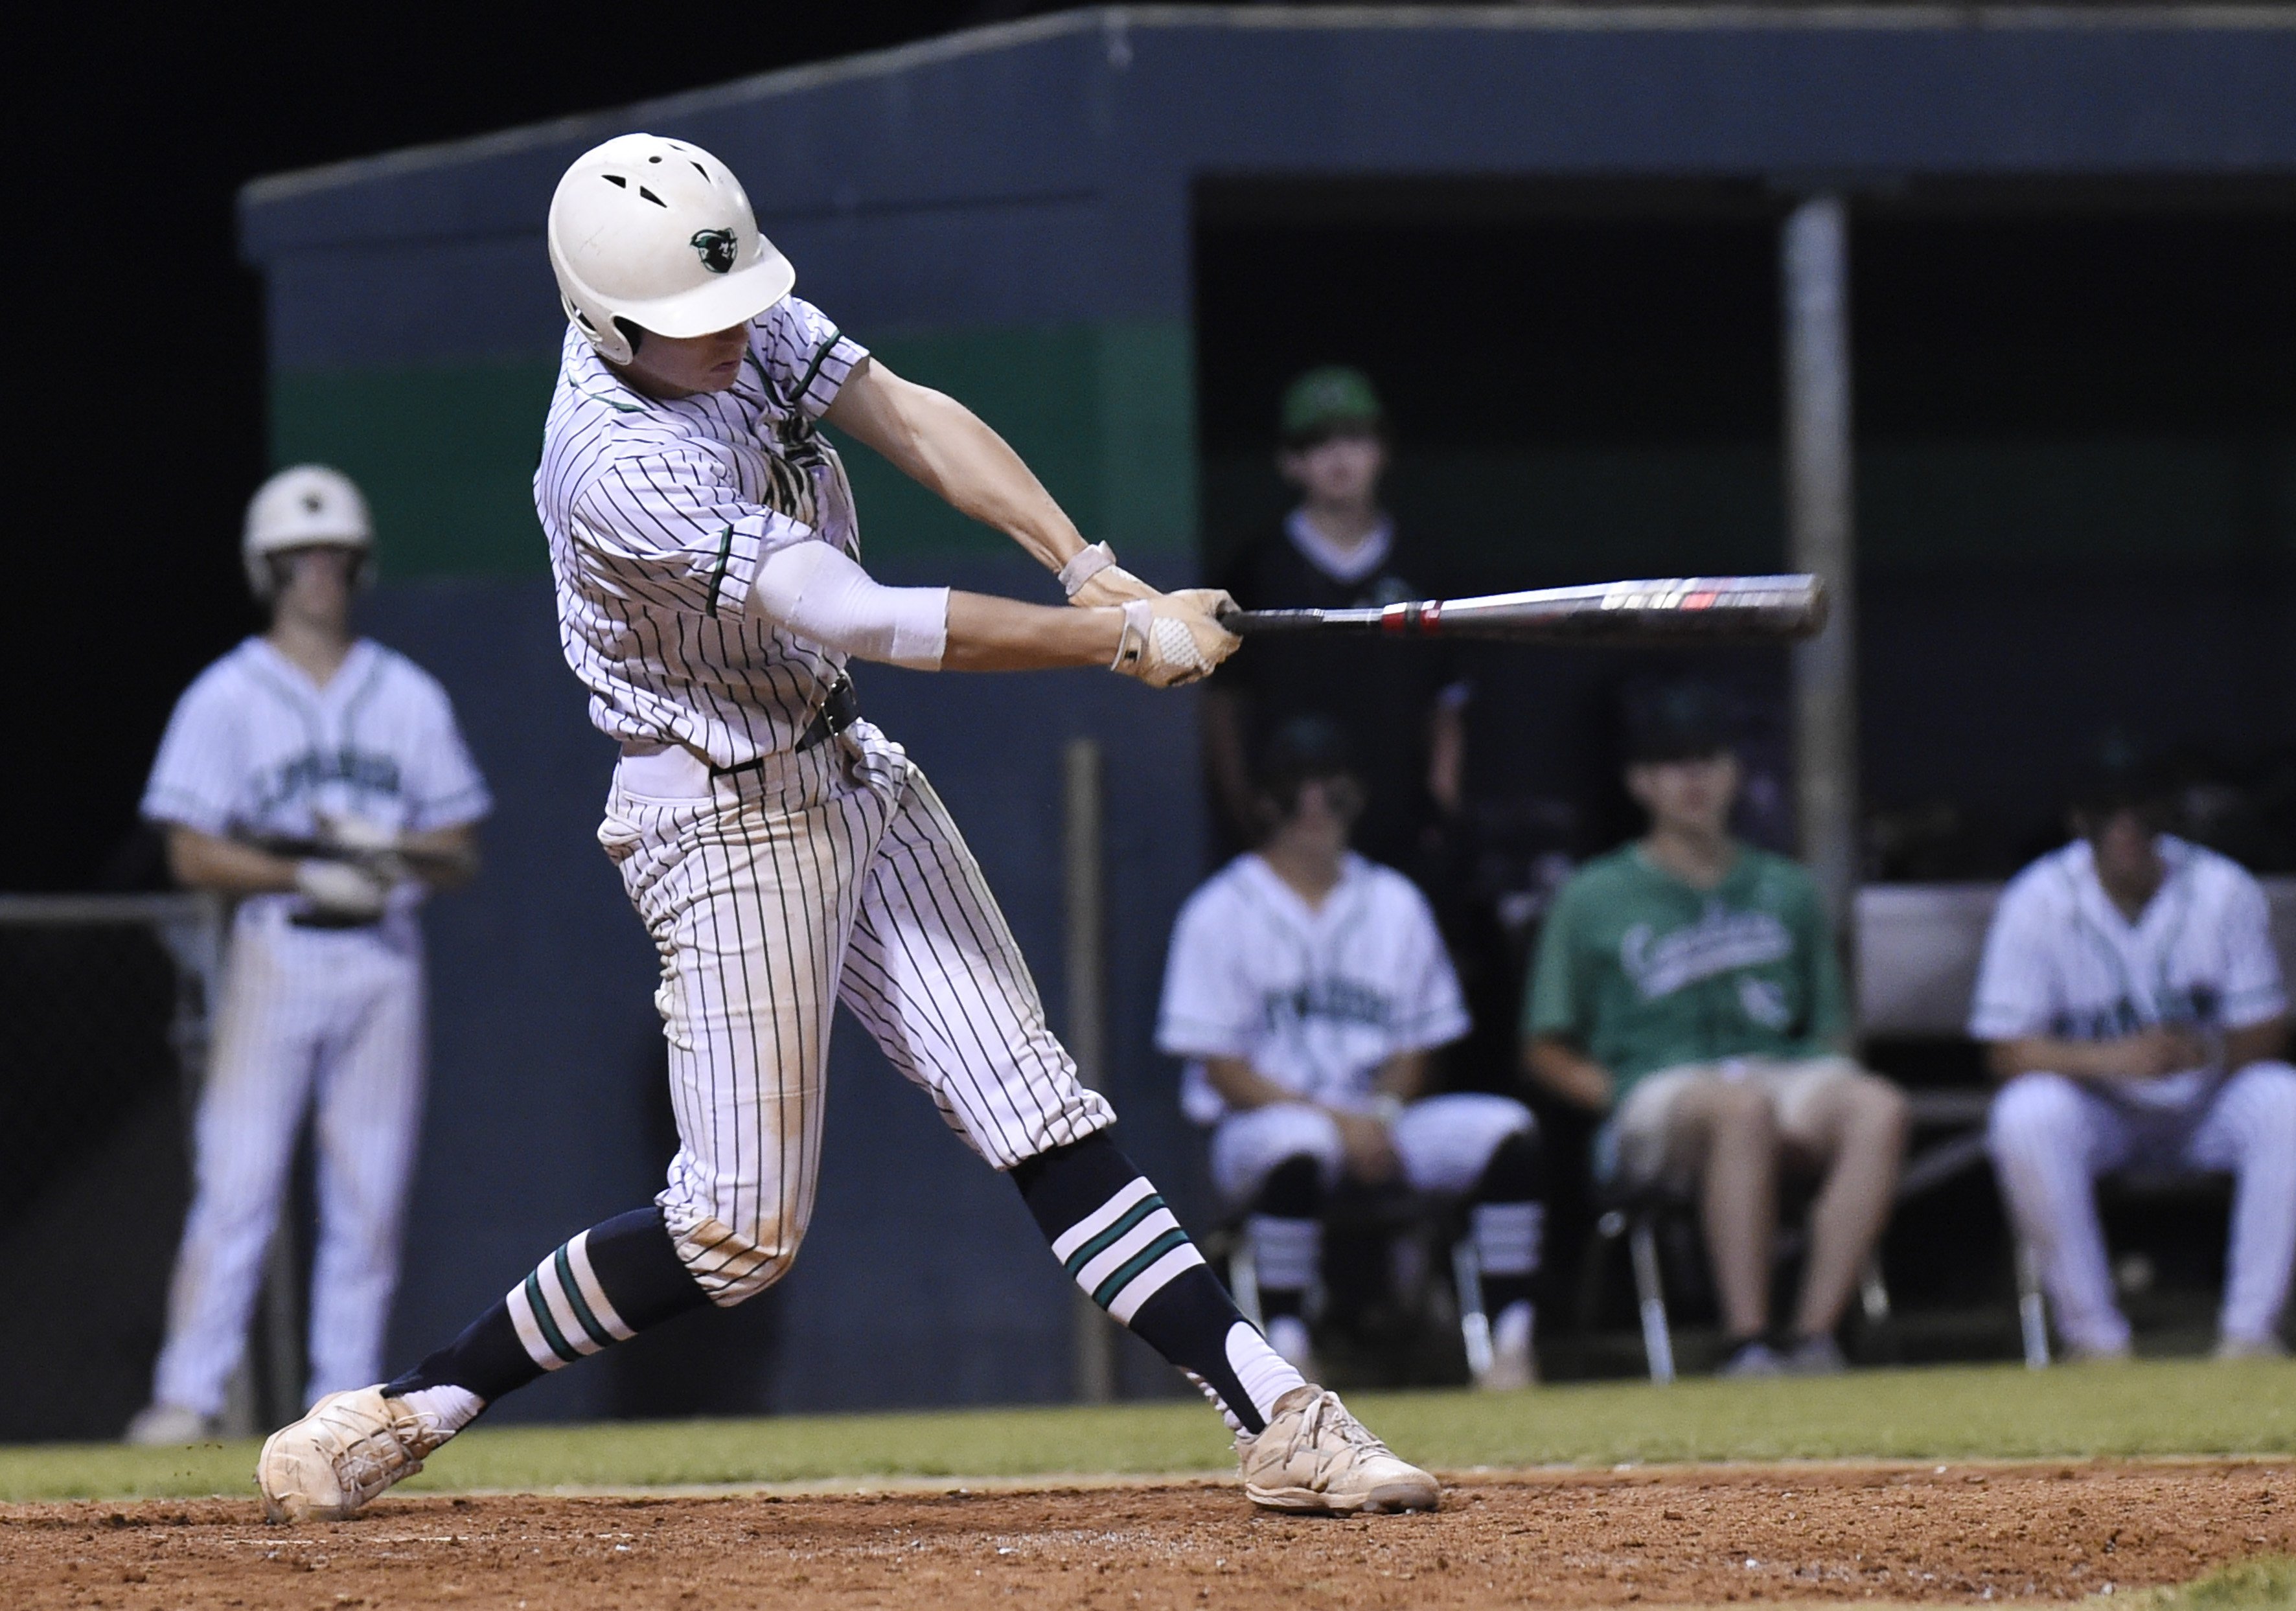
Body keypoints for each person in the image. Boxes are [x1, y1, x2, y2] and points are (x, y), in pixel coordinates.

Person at [251, 133, 1434, 1523]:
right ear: (603, 319)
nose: (734, 331)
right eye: (694, 325)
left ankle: (1278, 1415)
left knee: (1037, 1103)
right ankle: (418, 1402)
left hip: (845, 765)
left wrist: (1086, 562)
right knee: (737, 1233)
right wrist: (1115, 642)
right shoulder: (614, 464)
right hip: (723, 823)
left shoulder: (737, 312)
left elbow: (910, 414)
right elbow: (868, 617)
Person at [123, 466, 490, 1446]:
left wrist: (389, 852)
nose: (318, 573)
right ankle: (187, 1396)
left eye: (333, 556)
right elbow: (189, 846)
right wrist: (299, 874)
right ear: (268, 569)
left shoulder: (403, 694)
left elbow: (458, 843)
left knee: (367, 1199)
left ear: (358, 565)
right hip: (279, 948)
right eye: (299, 558)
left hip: (382, 953)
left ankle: (339, 1409)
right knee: (236, 1186)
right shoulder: (231, 693)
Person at [1521, 686, 1906, 1375]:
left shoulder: (1788, 887)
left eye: (1707, 761)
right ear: (1640, 782)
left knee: (1878, 1107)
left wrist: (1803, 1109)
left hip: (1778, 1073)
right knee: (1740, 1112)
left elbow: (1829, 1030)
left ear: (1736, 772)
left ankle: (1815, 1339)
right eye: (1672, 764)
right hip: (1658, 1089)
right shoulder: (1594, 895)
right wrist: (1615, 1099)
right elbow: (1545, 1047)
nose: (1693, 780)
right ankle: (1747, 1344)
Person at [1158, 718, 1544, 1390]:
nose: (1313, 809)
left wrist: (1385, 1112)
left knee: (1506, 1132)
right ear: (1265, 800)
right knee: (1299, 1141)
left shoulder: (1393, 902)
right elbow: (1223, 1070)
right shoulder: (1220, 910)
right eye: (1295, 792)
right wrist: (1342, 1123)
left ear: (1355, 796)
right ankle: (1289, 1349)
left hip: (1381, 1119)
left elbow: (1420, 1042)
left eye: (1328, 790)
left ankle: (1511, 1345)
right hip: (1264, 1127)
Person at [1973, 763, 2296, 1362]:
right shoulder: (2038, 896)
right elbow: (2007, 1049)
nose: (2125, 828)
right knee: (2026, 1113)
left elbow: (2267, 1028)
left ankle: (2252, 1336)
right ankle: (2095, 1342)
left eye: (2139, 810)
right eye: (2108, 812)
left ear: (2168, 814)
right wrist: (2114, 1058)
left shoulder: (2221, 887)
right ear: (2078, 820)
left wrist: (2206, 1050)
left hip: (2207, 1101)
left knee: (2293, 1102)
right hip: (2100, 1107)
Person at [1202, 367, 1464, 873]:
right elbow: (1223, 705)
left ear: (1382, 450)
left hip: (1400, 824)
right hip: (1289, 822)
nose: (1339, 457)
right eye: (1317, 443)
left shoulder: (1424, 563)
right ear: (1289, 462)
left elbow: (1448, 701)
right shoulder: (1256, 568)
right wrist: (1242, 809)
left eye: (1355, 438)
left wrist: (1442, 798)